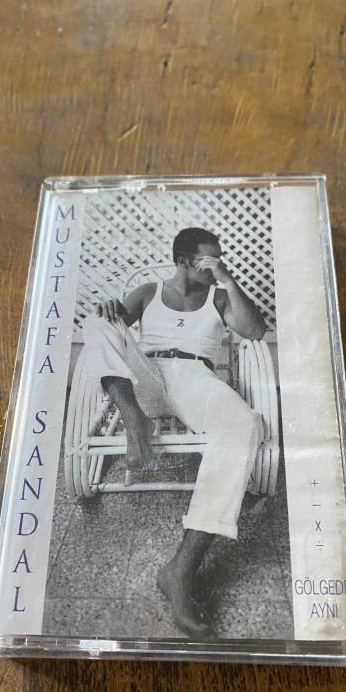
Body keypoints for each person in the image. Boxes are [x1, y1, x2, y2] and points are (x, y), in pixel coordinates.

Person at [82, 227, 267, 640]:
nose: (216, 265)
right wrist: (109, 310)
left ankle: (180, 570)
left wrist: (226, 279)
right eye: (208, 259)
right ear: (183, 260)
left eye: (219, 258)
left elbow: (255, 331)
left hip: (196, 378)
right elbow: (112, 333)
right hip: (145, 378)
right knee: (95, 323)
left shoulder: (219, 297)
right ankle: (135, 420)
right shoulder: (149, 293)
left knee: (245, 423)